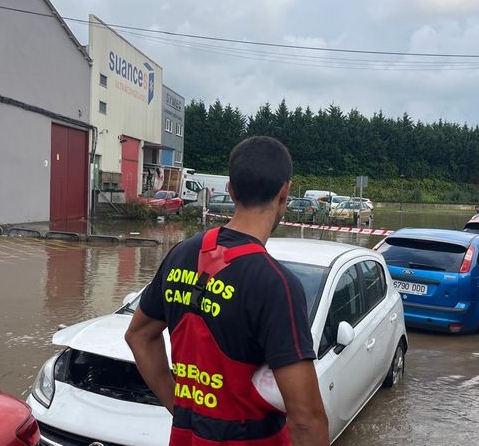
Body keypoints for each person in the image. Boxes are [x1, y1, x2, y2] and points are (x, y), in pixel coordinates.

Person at [125, 136, 330, 446]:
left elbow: (138, 336)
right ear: (285, 192)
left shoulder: (181, 254)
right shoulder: (276, 284)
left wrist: (182, 408)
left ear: (231, 190)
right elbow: (305, 418)